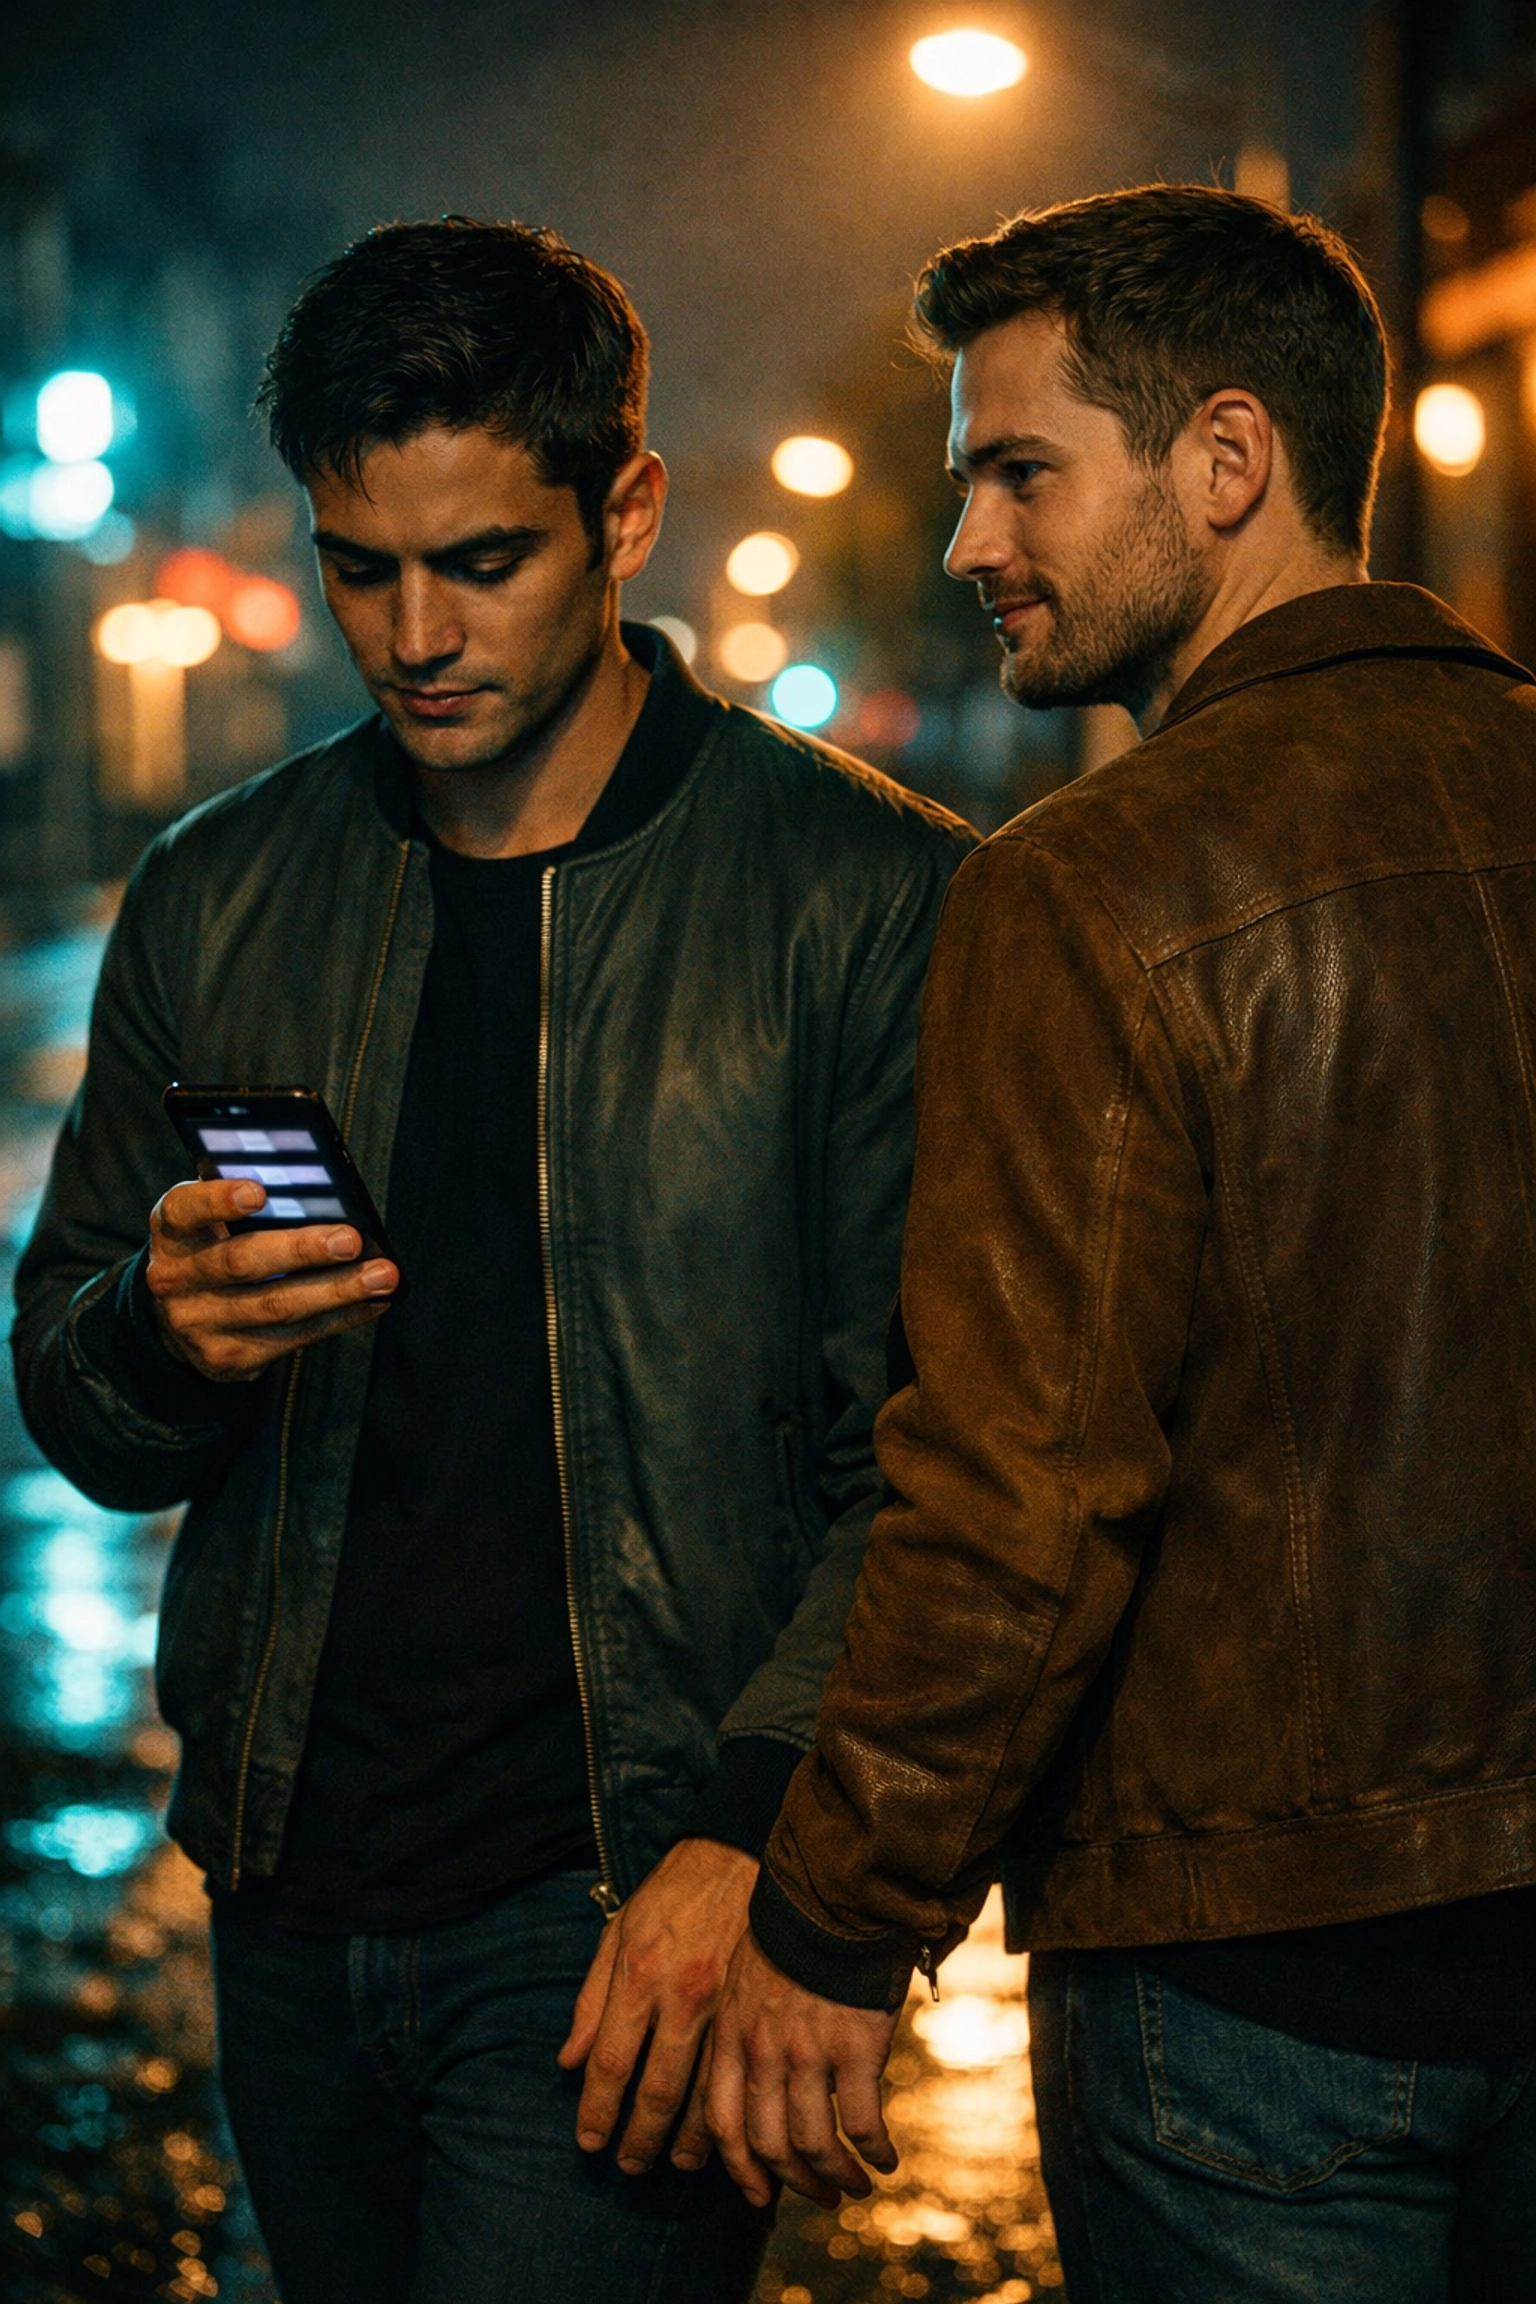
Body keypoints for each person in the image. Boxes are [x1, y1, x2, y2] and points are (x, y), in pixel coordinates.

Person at [12, 217, 972, 2304]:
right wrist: (162, 1336)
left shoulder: (862, 901)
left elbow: (927, 1455)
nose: (412, 631)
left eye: (483, 562)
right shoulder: (221, 887)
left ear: (622, 508)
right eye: (364, 566)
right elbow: (70, 1396)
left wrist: (759, 1846)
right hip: (285, 1894)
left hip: (621, 1897)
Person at [708, 184, 1536, 2300]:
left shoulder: (1090, 885)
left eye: (1020, 472)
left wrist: (831, 1926)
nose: (974, 543)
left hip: (1259, 1993)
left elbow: (1022, 1490)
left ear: (1229, 461)